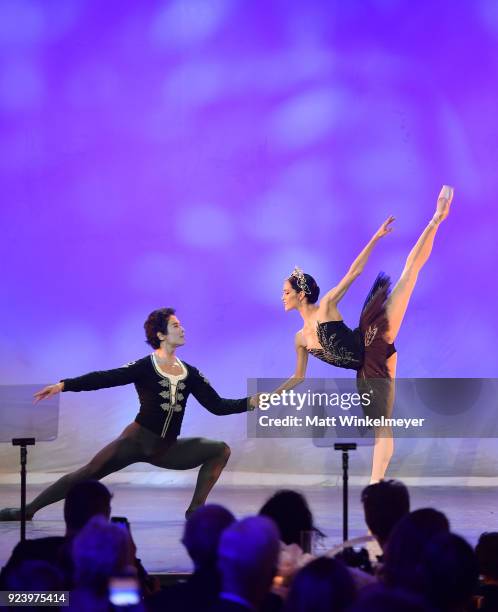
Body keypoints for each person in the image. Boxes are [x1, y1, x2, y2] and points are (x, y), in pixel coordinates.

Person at [0, 309, 254, 522]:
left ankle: (196, 511)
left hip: (166, 448)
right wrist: (63, 385)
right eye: (176, 325)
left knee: (220, 450)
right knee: (85, 475)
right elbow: (105, 377)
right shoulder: (145, 366)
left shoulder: (191, 373)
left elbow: (217, 406)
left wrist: (251, 402)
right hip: (135, 442)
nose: (183, 329)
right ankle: (28, 510)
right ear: (161, 334)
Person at [276, 186, 454, 482]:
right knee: (381, 426)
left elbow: (354, 272)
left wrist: (375, 237)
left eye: (286, 292)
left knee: (408, 276)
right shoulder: (299, 339)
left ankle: (436, 218)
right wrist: (271, 396)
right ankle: (376, 485)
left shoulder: (327, 305)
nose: (282, 297)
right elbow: (299, 377)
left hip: (372, 336)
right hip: (366, 368)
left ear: (301, 294)